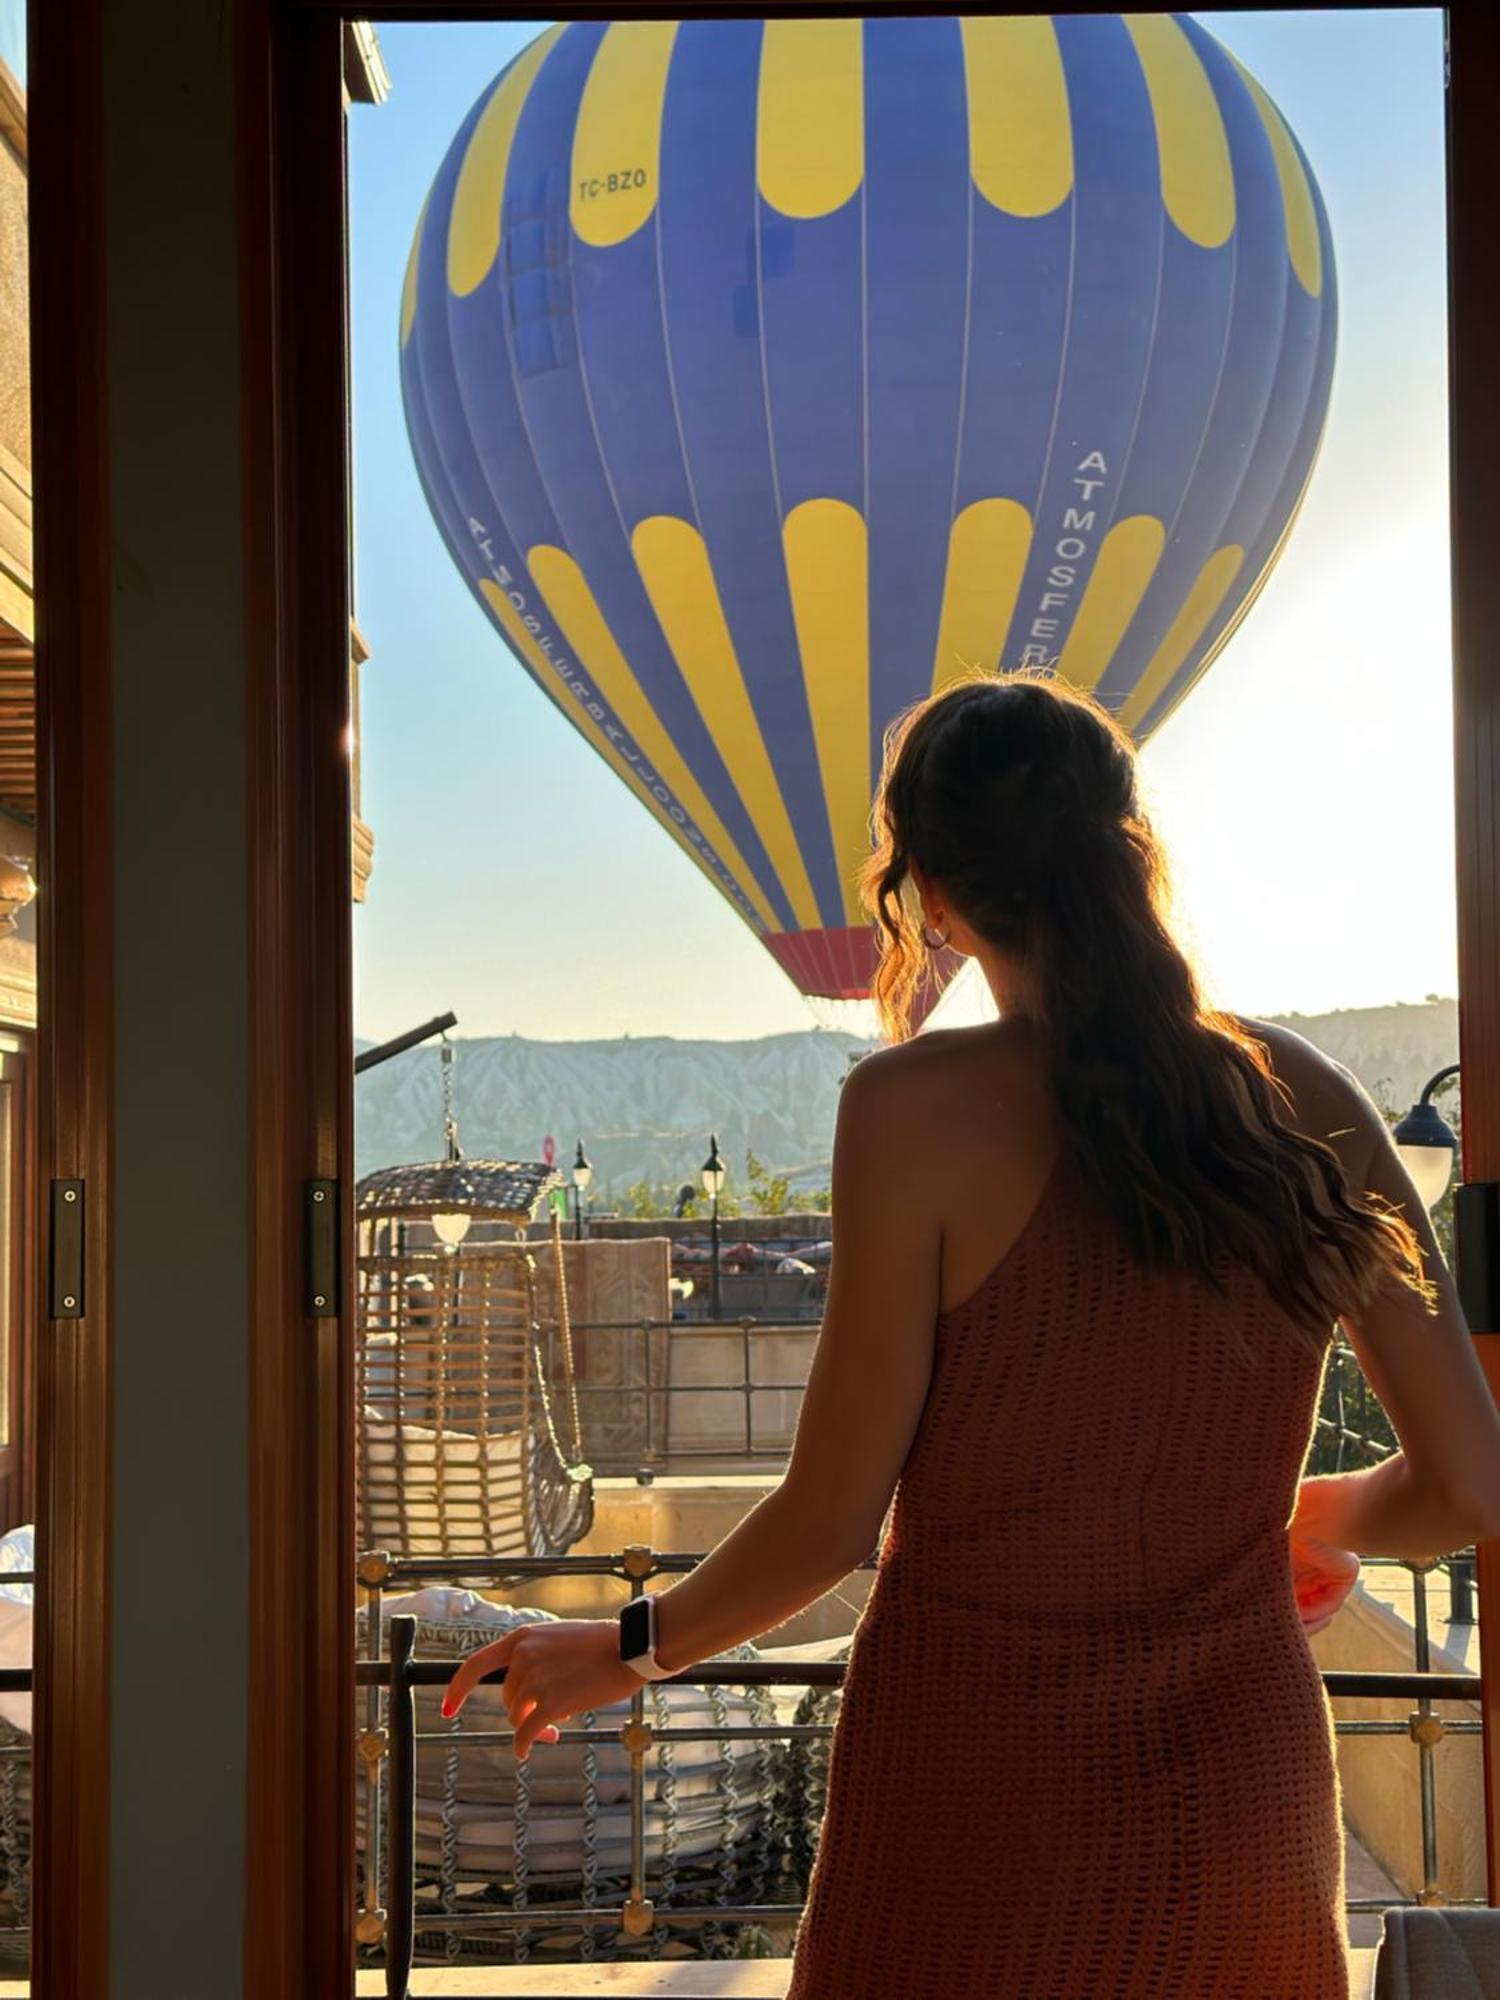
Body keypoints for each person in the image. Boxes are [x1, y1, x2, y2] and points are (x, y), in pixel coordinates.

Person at [443, 670, 1500, 1998]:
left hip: (966, 1805)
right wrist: (1304, 1518)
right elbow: (1467, 1486)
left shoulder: (910, 1110)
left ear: (928, 897)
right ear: (1136, 852)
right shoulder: (1314, 1101)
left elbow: (831, 1522)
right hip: (1235, 1812)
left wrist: (625, 1644)